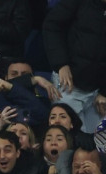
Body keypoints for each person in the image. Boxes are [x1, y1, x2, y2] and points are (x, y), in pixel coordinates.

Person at [43, 0, 106, 133]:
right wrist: (61, 64)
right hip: (69, 83)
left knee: (96, 147)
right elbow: (52, 25)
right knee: (66, 139)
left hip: (98, 93)